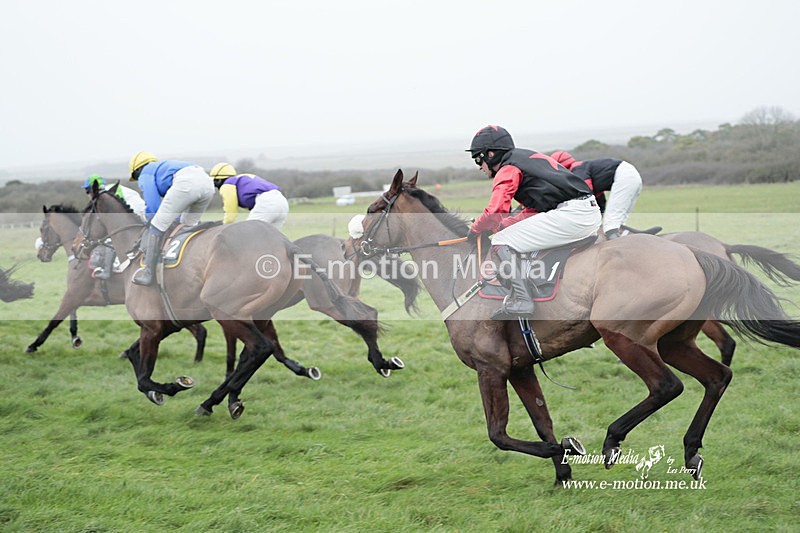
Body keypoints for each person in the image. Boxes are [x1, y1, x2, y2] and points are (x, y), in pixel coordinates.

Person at [467, 125, 601, 320]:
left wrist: (476, 229)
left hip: (572, 214)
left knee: (500, 241)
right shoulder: (524, 160)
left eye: (478, 158)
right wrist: (500, 225)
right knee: (503, 233)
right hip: (583, 211)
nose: (479, 165)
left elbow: (496, 211)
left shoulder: (508, 168)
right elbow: (533, 212)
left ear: (491, 154)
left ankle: (523, 300)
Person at [128, 151, 215, 286]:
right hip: (207, 184)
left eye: (135, 176)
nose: (138, 180)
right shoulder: (164, 166)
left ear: (138, 168)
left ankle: (148, 273)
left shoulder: (145, 172)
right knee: (186, 227)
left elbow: (153, 206)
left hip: (186, 184)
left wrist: (148, 221)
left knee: (156, 225)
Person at [550, 151, 643, 240]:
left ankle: (615, 241)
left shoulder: (576, 169)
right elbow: (599, 199)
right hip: (632, 175)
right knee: (619, 219)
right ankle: (627, 234)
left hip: (624, 176)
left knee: (611, 224)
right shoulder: (585, 169)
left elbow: (585, 192)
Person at [82, 175, 147, 279]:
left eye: (87, 191)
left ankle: (107, 271)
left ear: (92, 189)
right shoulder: (108, 191)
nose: (88, 195)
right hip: (139, 212)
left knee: (111, 239)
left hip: (138, 214)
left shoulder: (105, 195)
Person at [209, 163, 289, 228]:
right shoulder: (243, 177)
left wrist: (225, 224)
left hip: (267, 203)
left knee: (248, 235)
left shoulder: (227, 185)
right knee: (268, 238)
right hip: (282, 202)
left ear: (218, 180)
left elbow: (231, 211)